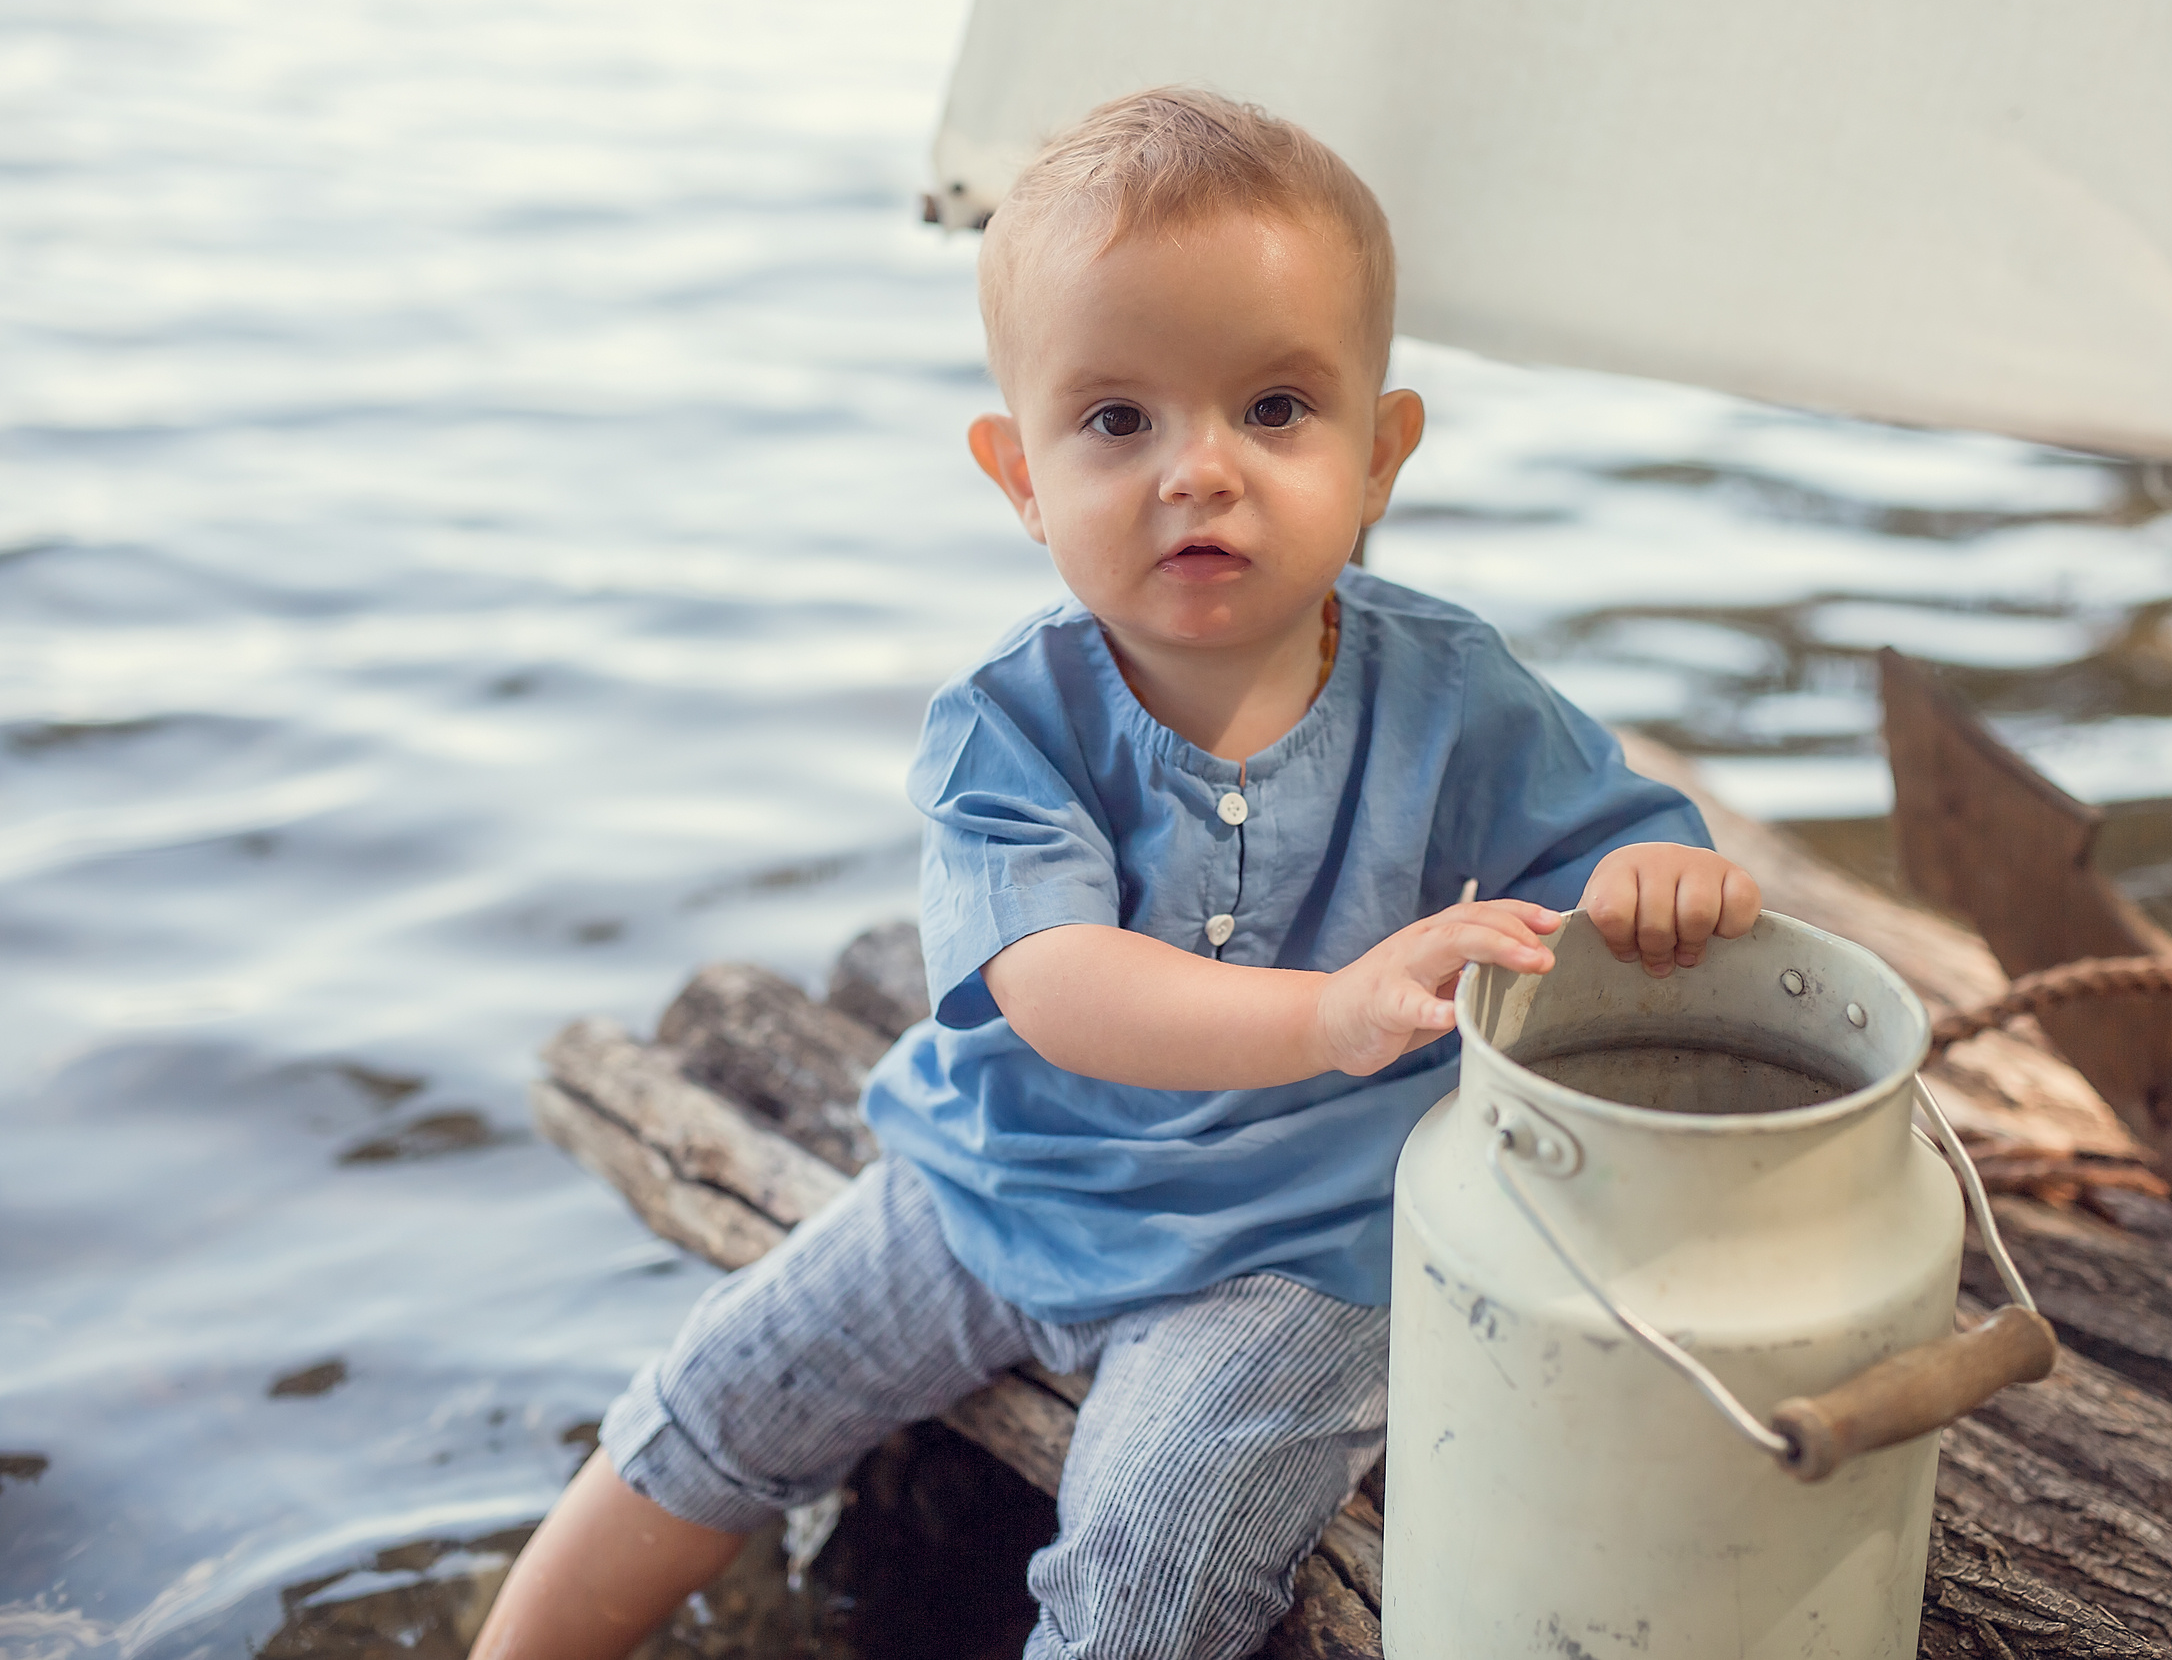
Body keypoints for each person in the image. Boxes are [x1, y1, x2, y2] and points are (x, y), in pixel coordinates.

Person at [469, 86, 1761, 1660]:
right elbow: (1057, 986)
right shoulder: (1010, 725)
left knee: (1153, 1561)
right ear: (1019, 475)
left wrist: (1657, 885)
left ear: (1382, 453)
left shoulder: (1452, 692)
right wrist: (1324, 1012)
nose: (1198, 470)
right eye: (1118, 420)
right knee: (722, 1396)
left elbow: (1617, 840)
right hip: (998, 1174)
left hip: (1302, 1240)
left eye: (1277, 409)